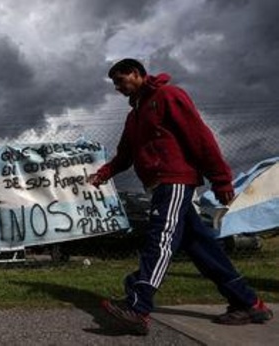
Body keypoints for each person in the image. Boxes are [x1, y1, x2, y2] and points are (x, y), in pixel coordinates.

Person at [91, 58, 273, 335]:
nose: (117, 88)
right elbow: (125, 155)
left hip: (174, 180)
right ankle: (249, 302)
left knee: (160, 238)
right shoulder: (134, 115)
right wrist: (102, 174)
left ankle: (138, 309)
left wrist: (221, 178)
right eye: (114, 83)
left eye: (120, 80)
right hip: (158, 185)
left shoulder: (168, 96)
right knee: (202, 247)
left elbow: (199, 136)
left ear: (137, 73)